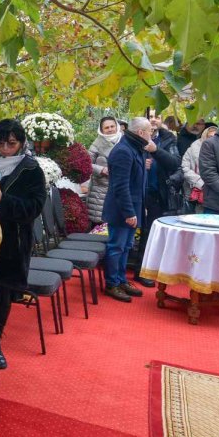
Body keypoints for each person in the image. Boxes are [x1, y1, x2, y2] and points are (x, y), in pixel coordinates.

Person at [0, 119, 46, 374]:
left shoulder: (31, 170)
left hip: (13, 242)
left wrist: (2, 200)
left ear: (21, 143)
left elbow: (34, 208)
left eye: (11, 143)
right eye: (1, 142)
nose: (5, 148)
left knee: (2, 295)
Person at [102, 117, 154, 301]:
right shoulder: (123, 151)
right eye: (150, 131)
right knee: (116, 247)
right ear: (141, 132)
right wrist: (129, 212)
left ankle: (121, 279)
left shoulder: (135, 148)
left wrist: (140, 208)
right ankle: (112, 284)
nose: (151, 134)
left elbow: (137, 182)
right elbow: (120, 186)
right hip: (122, 211)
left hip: (133, 208)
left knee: (126, 247)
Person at [136, 112, 182, 282]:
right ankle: (139, 271)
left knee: (152, 234)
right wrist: (142, 163)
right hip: (138, 191)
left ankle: (151, 271)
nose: (154, 120)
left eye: (158, 117)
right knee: (137, 232)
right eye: (151, 116)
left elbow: (175, 163)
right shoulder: (136, 136)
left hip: (158, 192)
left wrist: (156, 151)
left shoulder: (168, 138)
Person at [85, 116, 122, 225]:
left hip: (121, 187)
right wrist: (101, 170)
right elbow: (86, 163)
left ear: (117, 126)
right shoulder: (97, 143)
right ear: (101, 130)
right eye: (106, 127)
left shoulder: (125, 140)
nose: (110, 129)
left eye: (112, 126)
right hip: (100, 189)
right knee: (101, 223)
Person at [180, 123, 218, 212]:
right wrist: (199, 182)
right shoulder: (193, 148)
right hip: (194, 189)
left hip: (216, 192)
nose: (212, 139)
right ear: (205, 136)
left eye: (215, 137)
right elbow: (184, 168)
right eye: (210, 136)